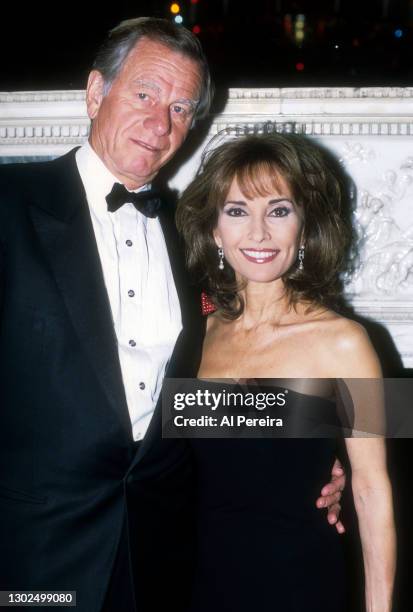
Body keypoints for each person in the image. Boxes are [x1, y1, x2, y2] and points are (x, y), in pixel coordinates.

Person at [0, 18, 344, 612]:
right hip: (34, 556)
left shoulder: (197, 236)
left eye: (182, 108)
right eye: (144, 94)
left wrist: (323, 446)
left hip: (161, 555)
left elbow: (204, 392)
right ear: (94, 92)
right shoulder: (10, 205)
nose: (160, 124)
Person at [176, 132, 396, 612]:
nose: (259, 233)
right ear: (214, 230)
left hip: (300, 585)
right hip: (196, 584)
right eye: (237, 211)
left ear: (303, 225)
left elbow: (372, 489)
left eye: (278, 210)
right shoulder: (190, 334)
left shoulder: (347, 340)